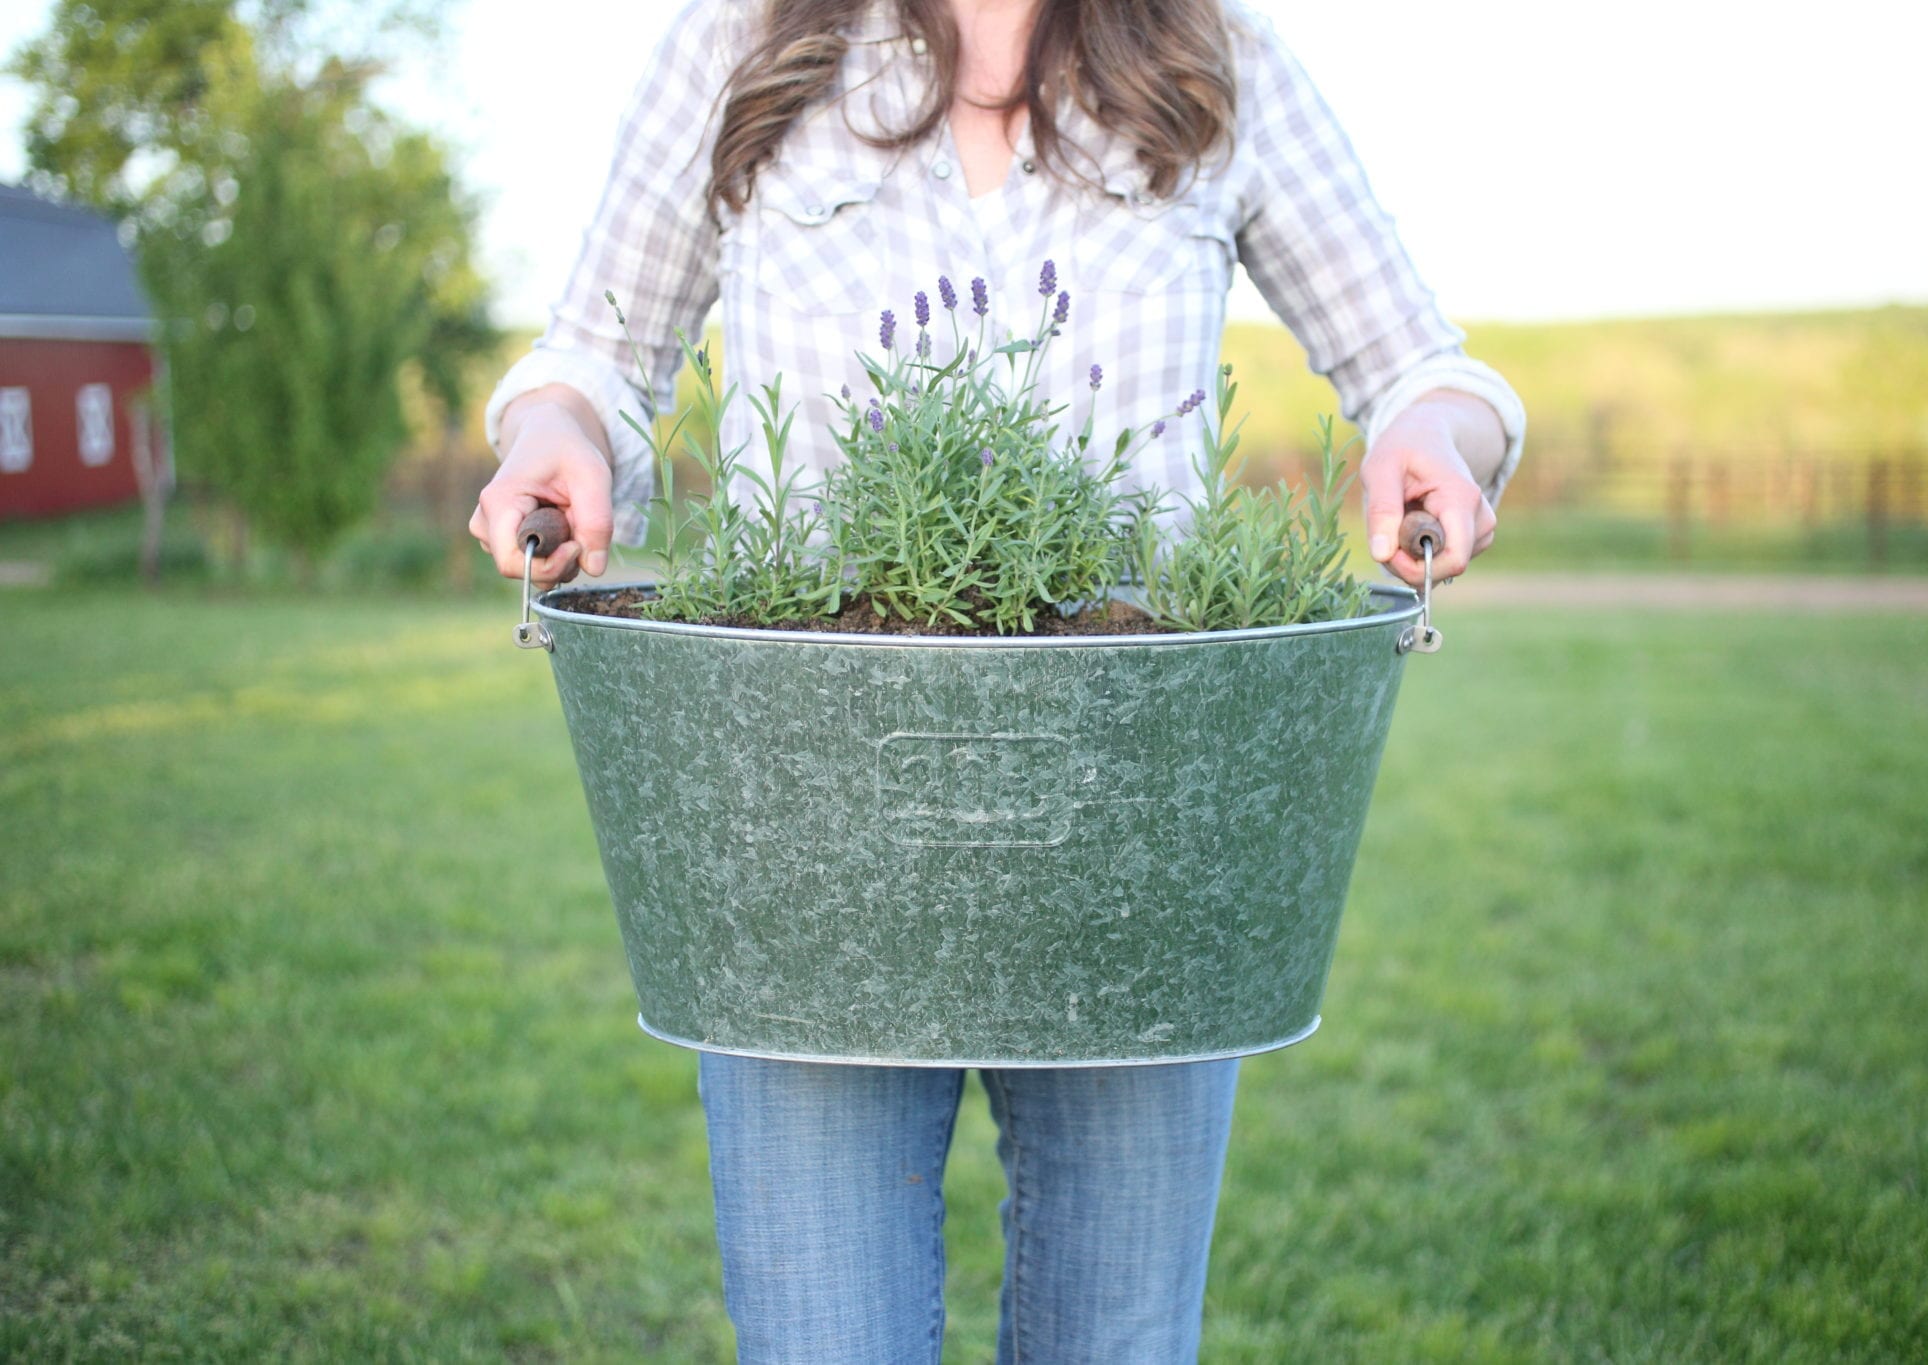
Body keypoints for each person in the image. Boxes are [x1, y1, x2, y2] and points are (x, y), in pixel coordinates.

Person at [470, 0, 1524, 1357]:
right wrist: (556, 432)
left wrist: (1437, 434)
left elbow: (1420, 368)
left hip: (1139, 836)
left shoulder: (1213, 53)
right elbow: (600, 358)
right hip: (808, 836)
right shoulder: (741, 39)